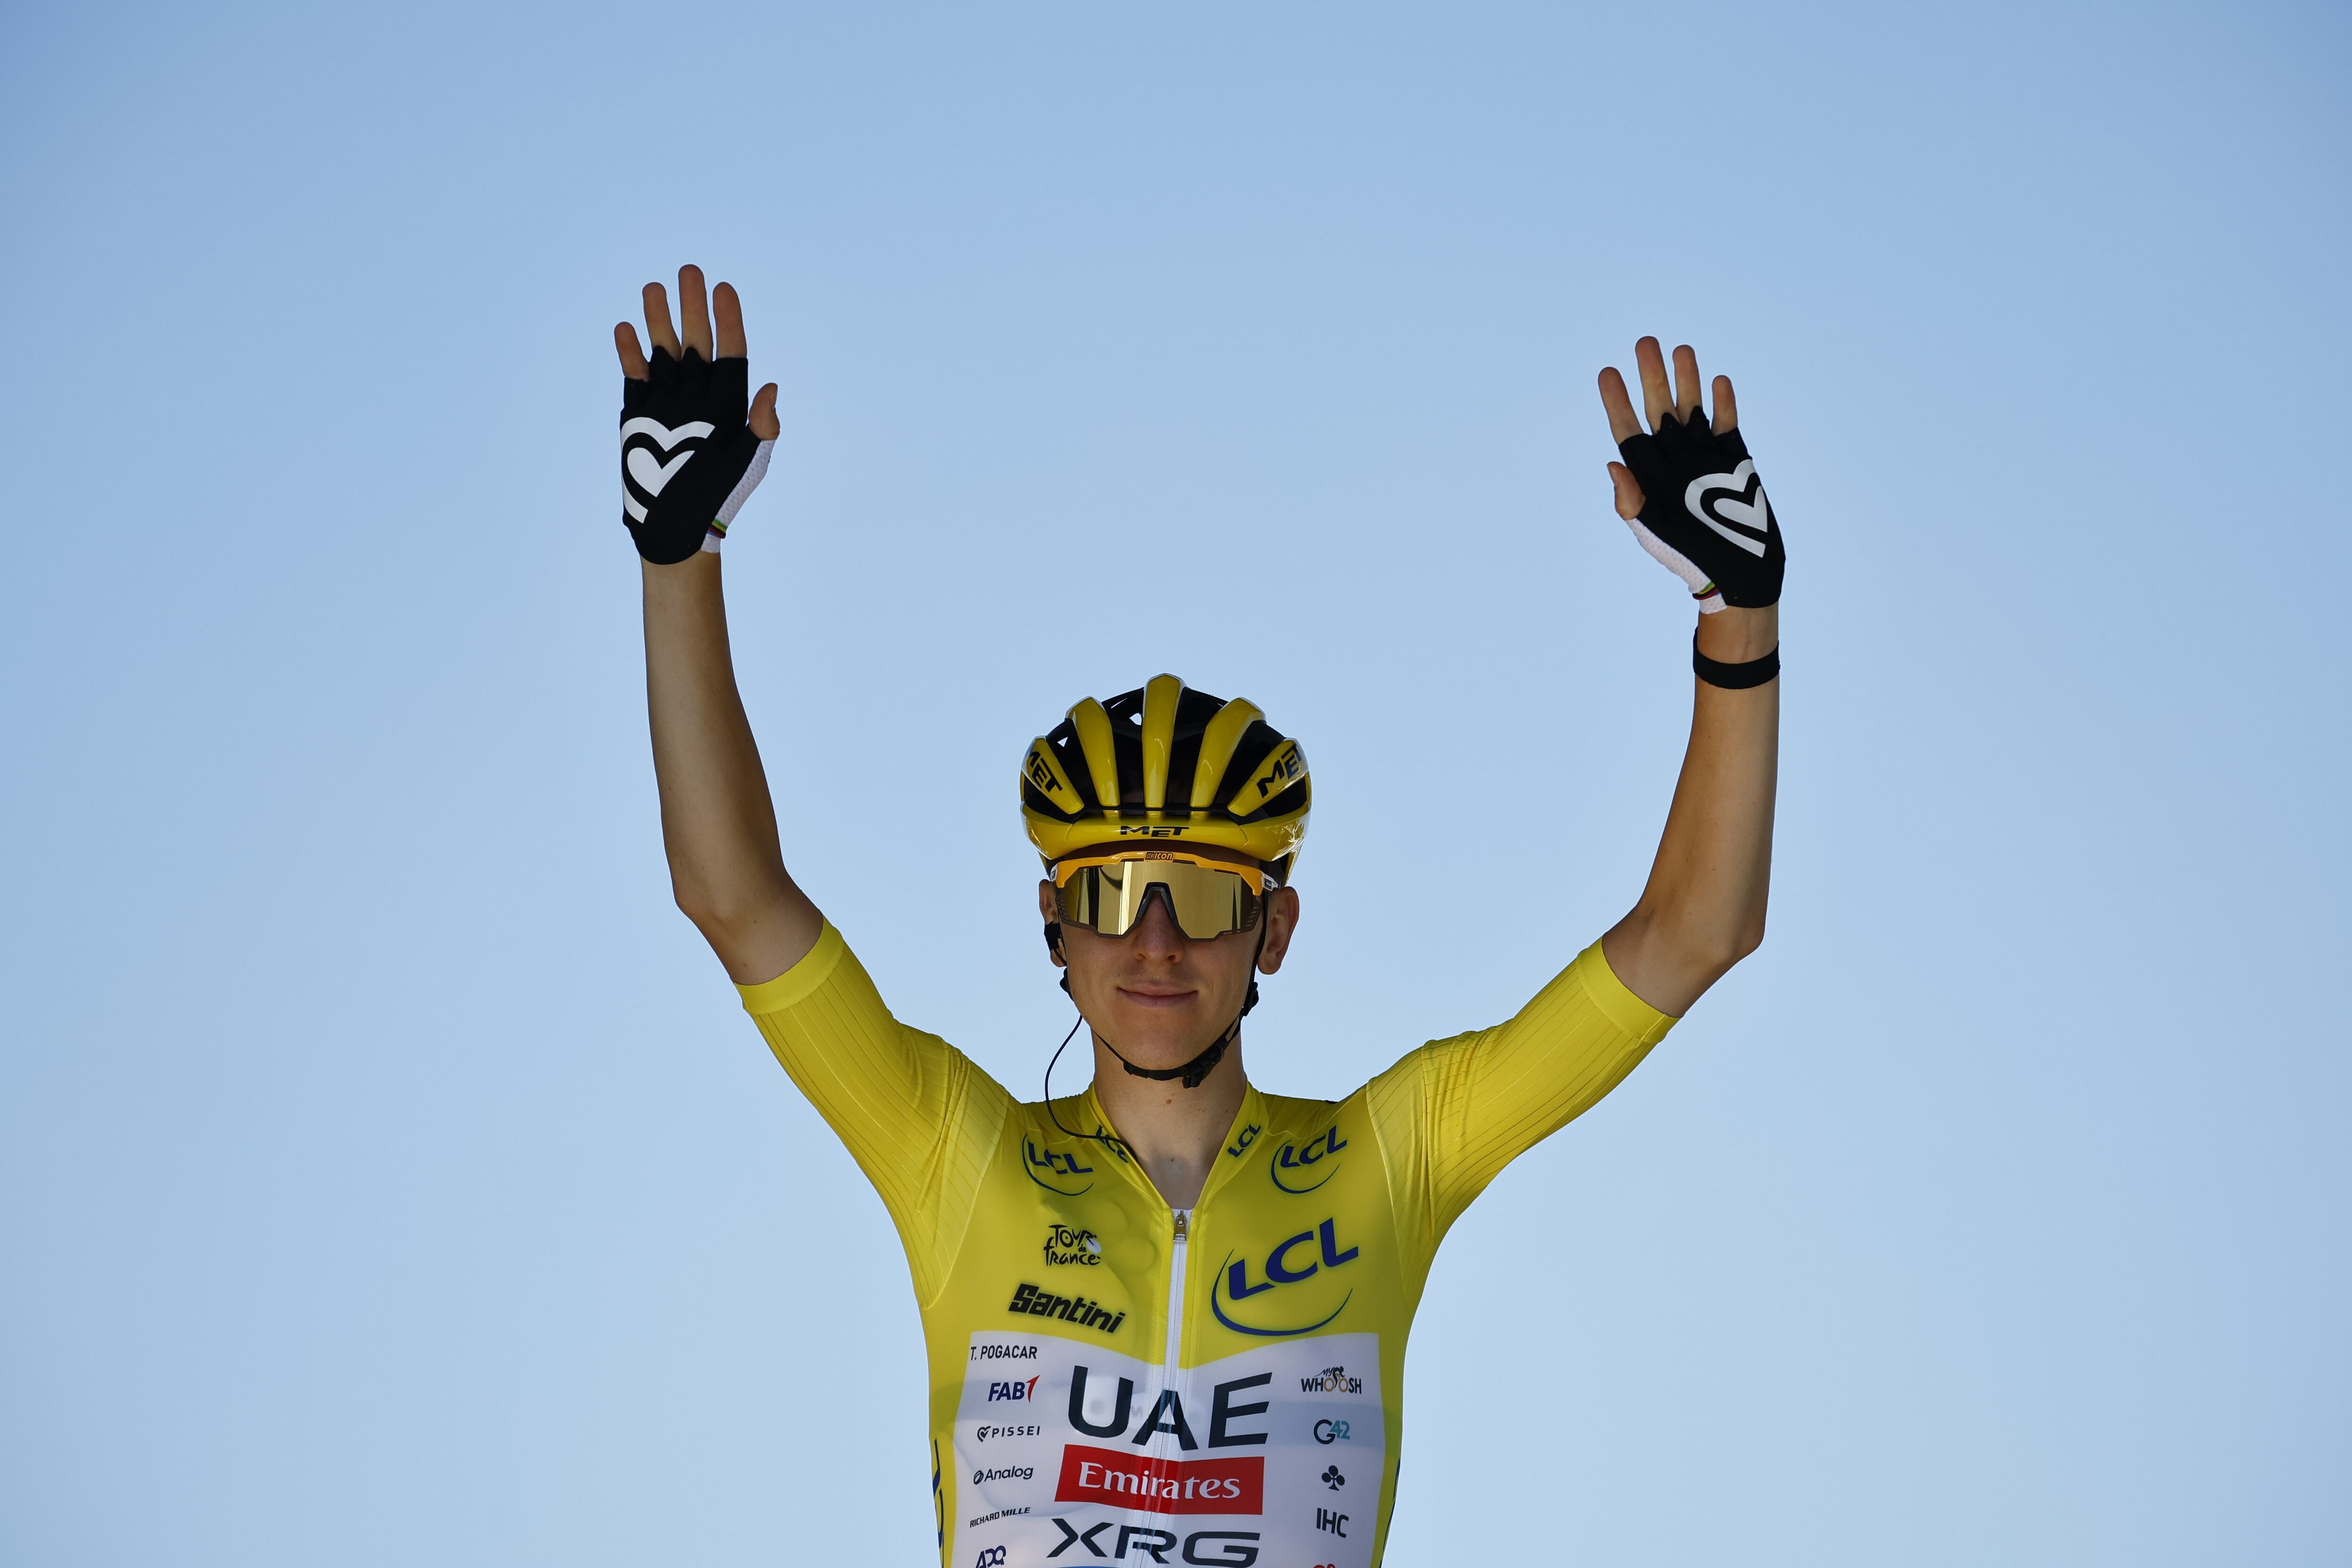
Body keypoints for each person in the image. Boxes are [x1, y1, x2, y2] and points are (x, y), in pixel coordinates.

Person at [615, 264, 1781, 1568]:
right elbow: (729, 895)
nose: (1156, 940)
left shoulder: (1386, 1163)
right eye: (1111, 898)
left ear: (1273, 934)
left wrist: (1737, 616)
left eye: (1208, 898)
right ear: (1053, 929)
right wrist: (681, 559)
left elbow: (1698, 934)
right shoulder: (958, 1155)